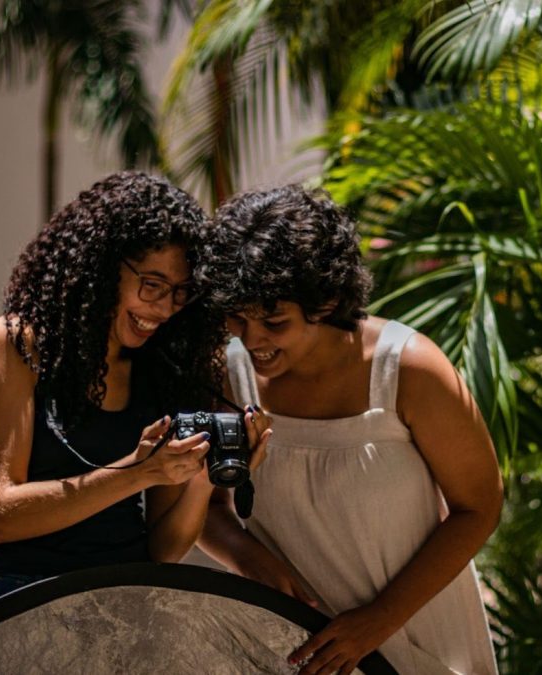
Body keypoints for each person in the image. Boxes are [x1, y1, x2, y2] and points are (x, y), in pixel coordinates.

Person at [195, 185, 503, 675]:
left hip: (421, 640)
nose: (253, 341)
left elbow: (480, 506)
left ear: (328, 299)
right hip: (296, 651)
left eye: (274, 322)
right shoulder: (229, 377)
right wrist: (248, 557)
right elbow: (206, 507)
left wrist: (380, 620)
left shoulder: (410, 370)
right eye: (237, 319)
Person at [0, 171, 270, 610]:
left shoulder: (170, 368)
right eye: (152, 286)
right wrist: (138, 471)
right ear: (102, 266)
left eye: (181, 293)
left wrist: (204, 478)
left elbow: (164, 551)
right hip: (19, 604)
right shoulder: (20, 344)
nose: (164, 309)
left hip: (124, 605)